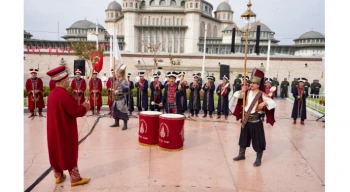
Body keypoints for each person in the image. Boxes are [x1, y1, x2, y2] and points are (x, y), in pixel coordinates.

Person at [46, 65, 91, 186]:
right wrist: (85, 106)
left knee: (55, 150)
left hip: (53, 130)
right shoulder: (63, 94)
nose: (69, 82)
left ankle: (59, 176)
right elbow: (76, 111)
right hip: (65, 130)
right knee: (68, 150)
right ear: (61, 81)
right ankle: (75, 178)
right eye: (67, 80)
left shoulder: (52, 95)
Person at [232, 68, 276, 167]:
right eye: (250, 83)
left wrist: (265, 102)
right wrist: (241, 91)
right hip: (246, 119)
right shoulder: (246, 92)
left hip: (256, 121)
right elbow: (236, 96)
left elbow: (273, 103)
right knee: (243, 139)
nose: (250, 85)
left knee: (258, 141)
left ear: (258, 85)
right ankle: (241, 154)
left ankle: (258, 159)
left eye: (253, 83)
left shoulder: (262, 94)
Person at [110, 65, 130, 130]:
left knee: (123, 111)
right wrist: (113, 90)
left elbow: (127, 89)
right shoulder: (116, 80)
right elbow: (115, 87)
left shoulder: (124, 81)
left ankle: (125, 125)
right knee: (115, 111)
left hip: (121, 99)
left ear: (121, 74)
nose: (116, 74)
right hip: (116, 99)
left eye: (118, 73)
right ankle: (116, 123)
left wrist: (118, 91)